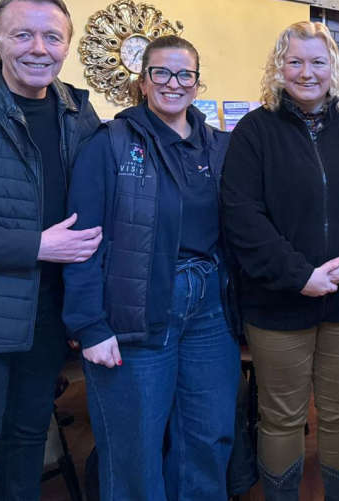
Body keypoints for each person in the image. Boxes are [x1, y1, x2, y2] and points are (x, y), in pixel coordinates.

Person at [221, 21, 339, 501]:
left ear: (333, 67)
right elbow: (242, 216)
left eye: (318, 62)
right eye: (295, 61)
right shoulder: (253, 132)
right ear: (279, 67)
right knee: (282, 417)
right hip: (277, 305)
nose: (307, 72)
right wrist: (299, 275)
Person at [62, 35, 239, 499]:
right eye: (161, 72)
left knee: (208, 439)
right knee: (134, 450)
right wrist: (89, 325)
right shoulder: (109, 144)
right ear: (143, 82)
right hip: (133, 311)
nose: (172, 83)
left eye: (184, 74)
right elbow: (80, 243)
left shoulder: (220, 147)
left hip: (210, 310)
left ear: (197, 84)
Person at [0, 0, 101, 501]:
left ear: (67, 45)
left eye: (52, 37)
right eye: (23, 35)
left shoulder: (78, 112)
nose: (39, 48)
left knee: (29, 441)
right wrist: (34, 245)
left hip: (49, 316)